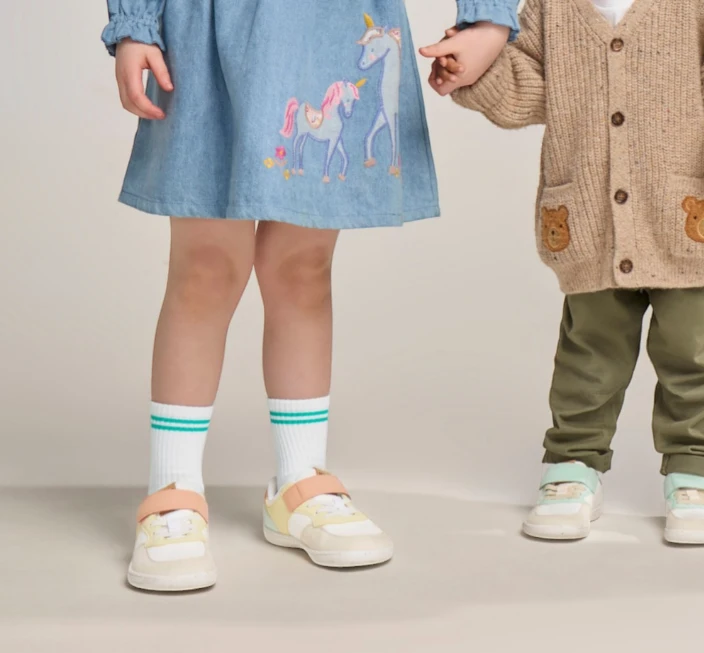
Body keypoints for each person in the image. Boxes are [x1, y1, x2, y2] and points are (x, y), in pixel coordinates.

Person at [104, 0, 520, 591]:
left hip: (327, 26)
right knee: (205, 266)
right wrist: (135, 24)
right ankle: (173, 488)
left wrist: (488, 20)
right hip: (204, 30)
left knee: (302, 267)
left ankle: (298, 482)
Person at [431, 0, 704, 544]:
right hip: (593, 221)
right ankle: (573, 465)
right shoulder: (549, 8)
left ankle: (694, 470)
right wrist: (476, 68)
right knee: (590, 351)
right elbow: (525, 89)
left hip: (690, 214)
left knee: (691, 352)